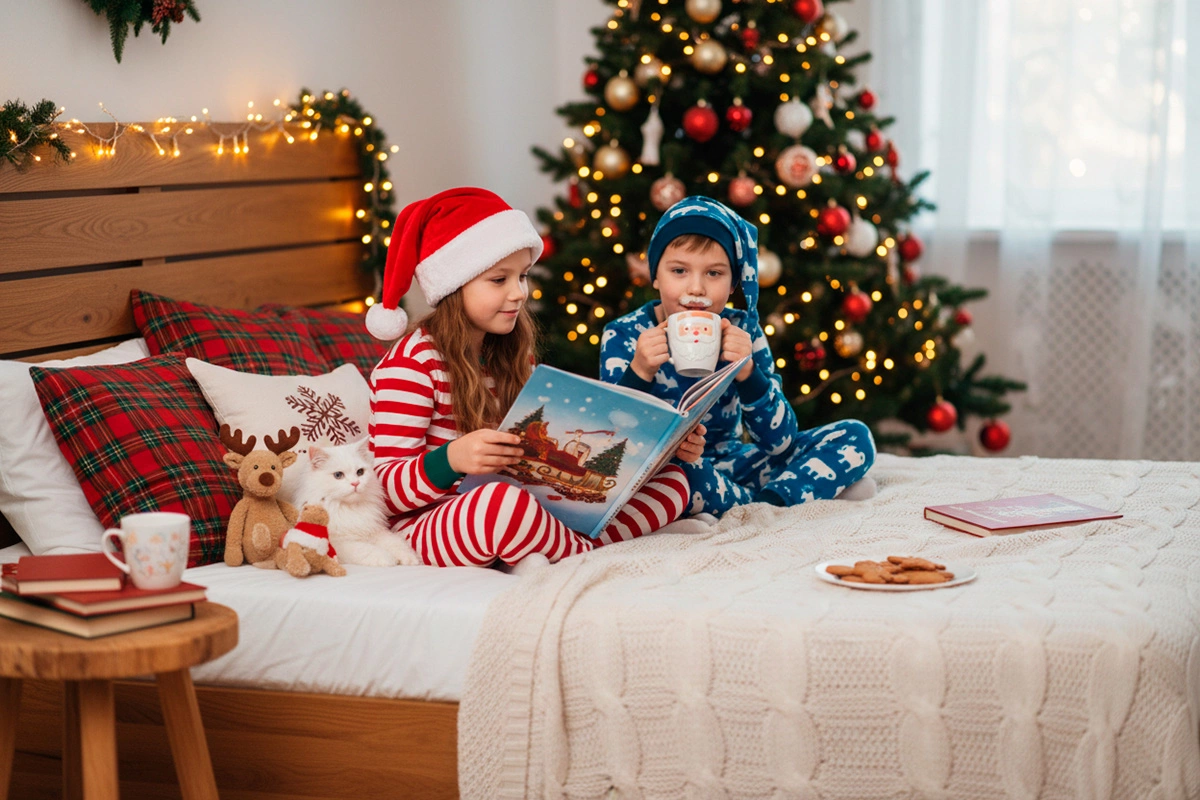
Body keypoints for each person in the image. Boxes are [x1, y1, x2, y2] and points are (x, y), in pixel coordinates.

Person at [365, 187, 700, 568]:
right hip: (429, 523)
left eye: (522, 276)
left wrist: (658, 449)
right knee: (500, 506)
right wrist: (452, 459)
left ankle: (557, 542)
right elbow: (383, 492)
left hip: (520, 499)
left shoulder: (506, 351)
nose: (519, 293)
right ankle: (584, 554)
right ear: (454, 285)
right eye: (499, 280)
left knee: (674, 483)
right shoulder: (411, 365)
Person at [599, 196, 875, 517]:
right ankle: (784, 495)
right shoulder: (625, 334)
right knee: (675, 478)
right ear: (656, 275)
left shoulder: (745, 330)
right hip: (669, 470)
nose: (697, 288)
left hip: (735, 461)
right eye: (679, 270)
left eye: (714, 273)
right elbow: (613, 444)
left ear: (733, 284)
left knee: (855, 436)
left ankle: (765, 504)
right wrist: (640, 370)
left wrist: (748, 374)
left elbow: (781, 442)